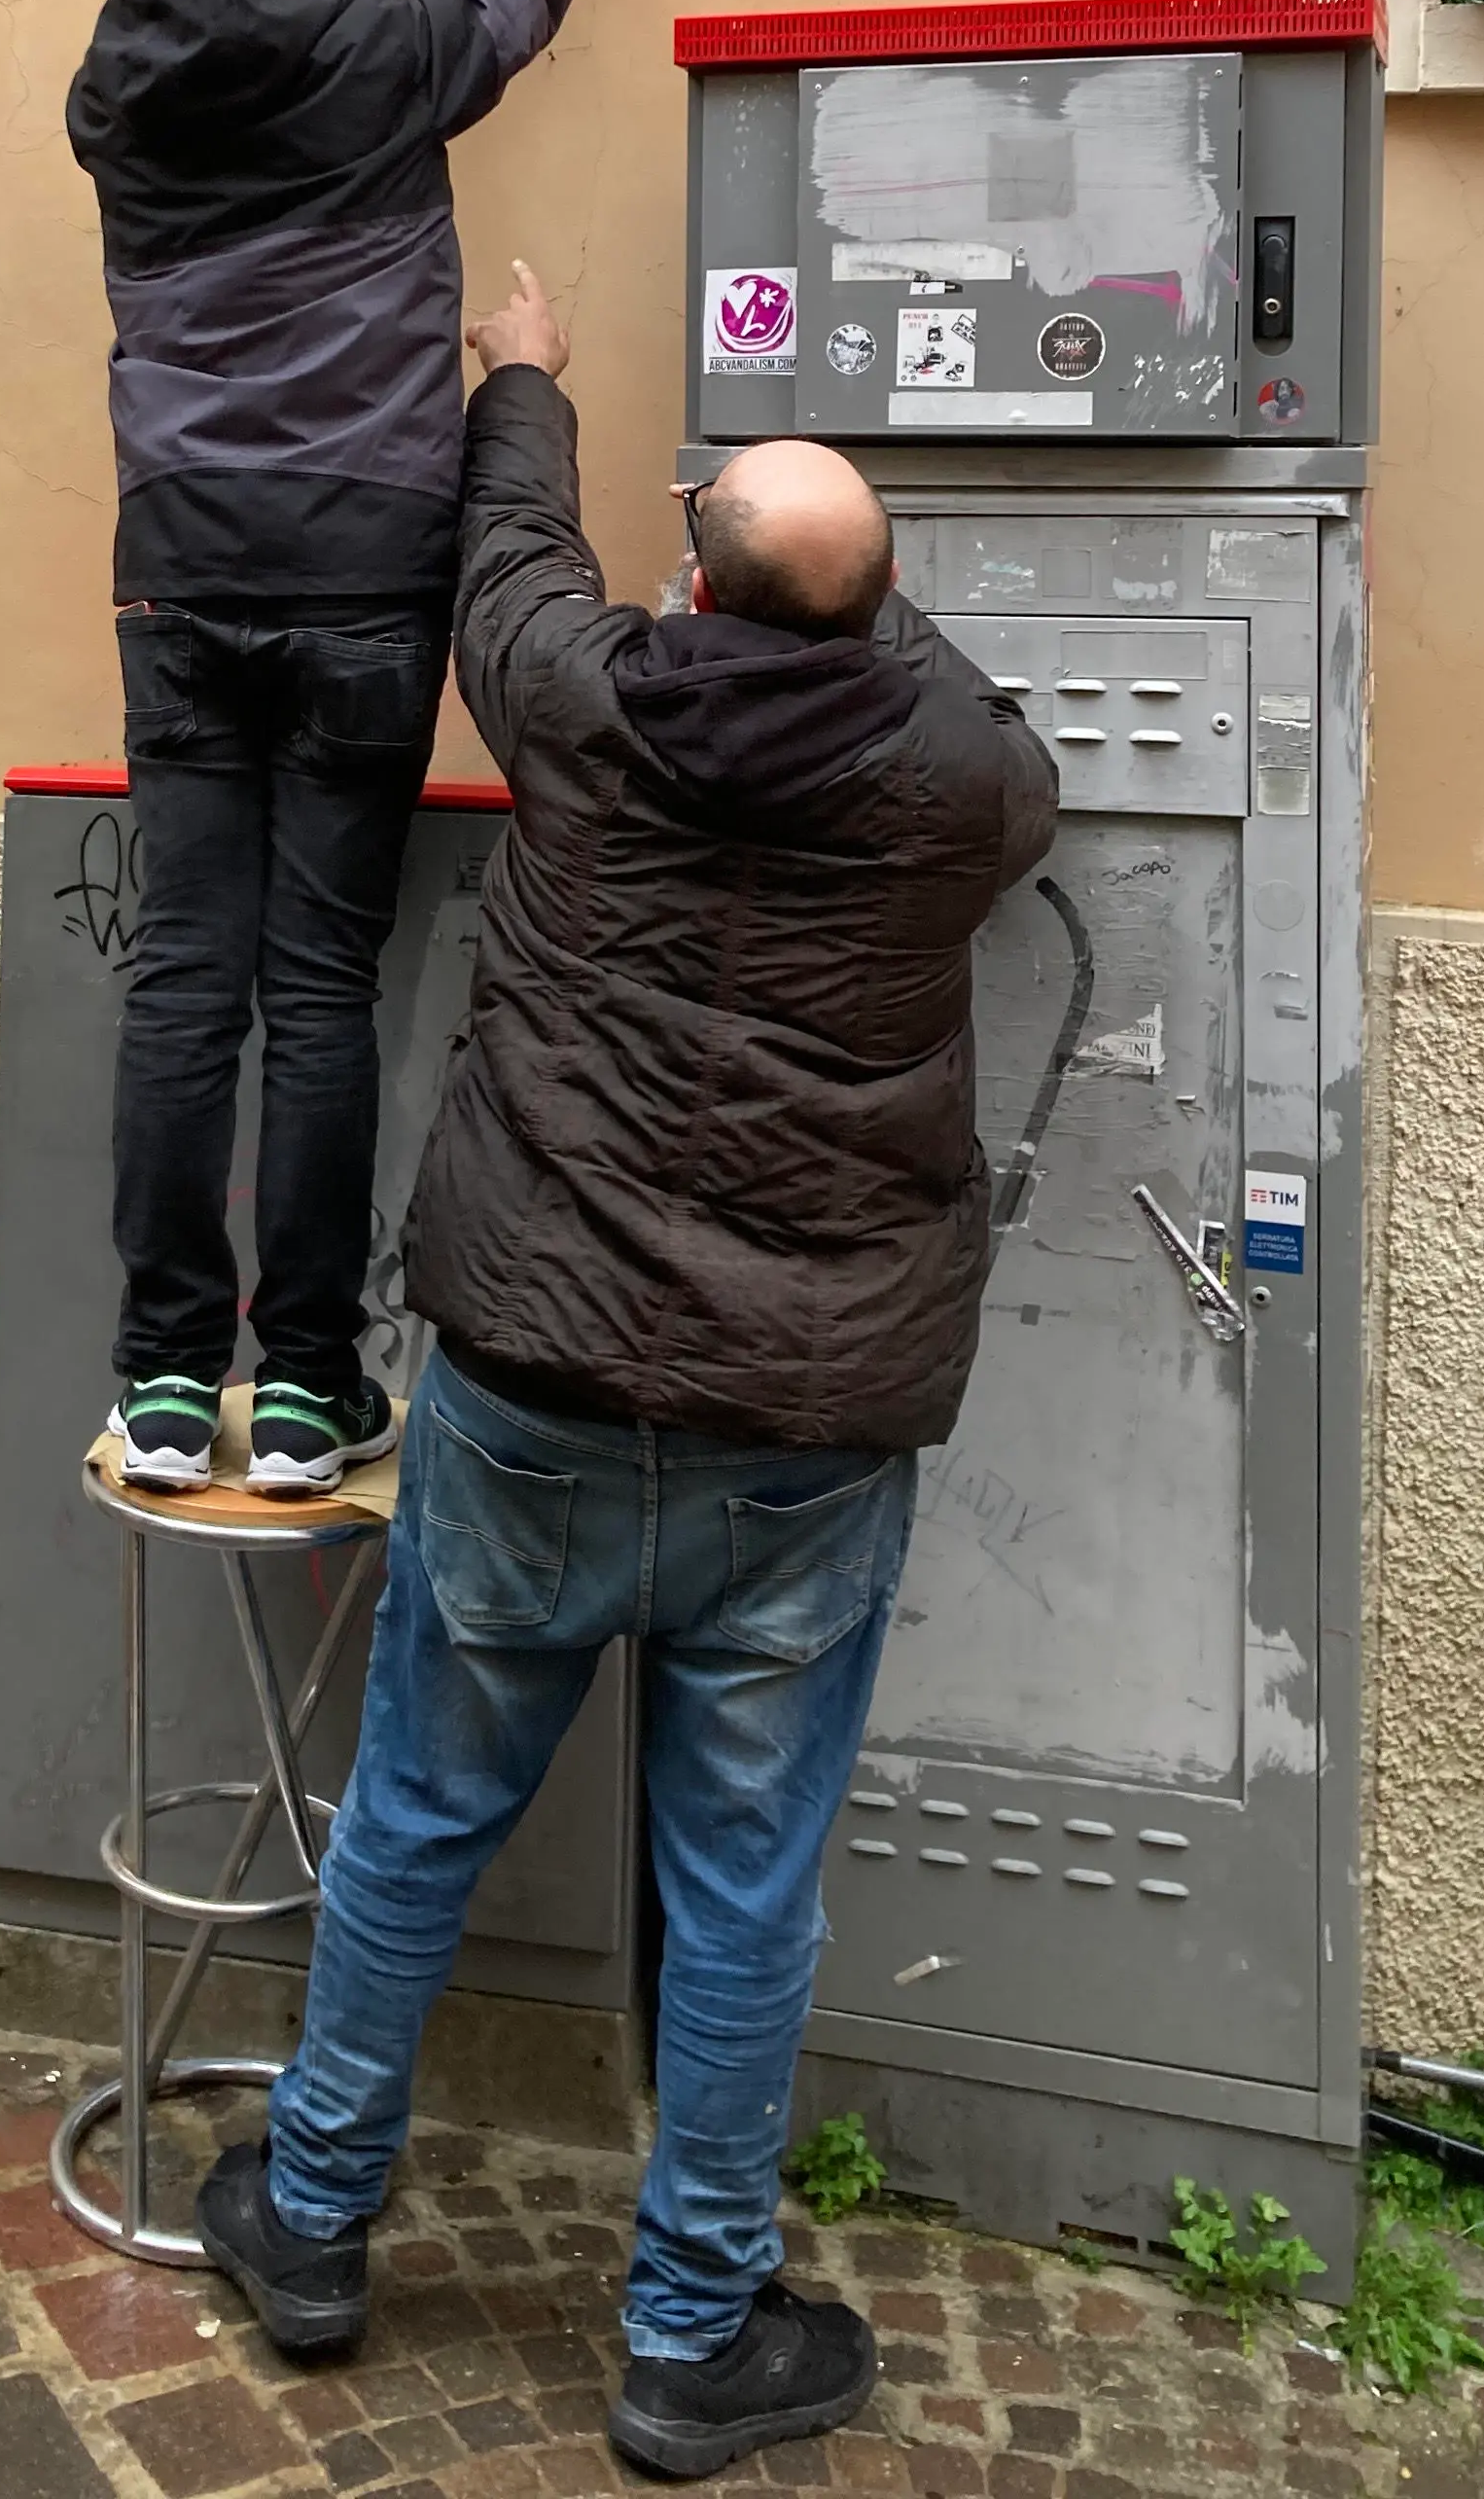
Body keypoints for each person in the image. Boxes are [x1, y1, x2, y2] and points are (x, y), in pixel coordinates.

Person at [195, 264, 1059, 2480]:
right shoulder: (957, 779)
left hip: (539, 1386)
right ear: (868, 617)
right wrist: (855, 587)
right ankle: (688, 2339)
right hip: (806, 1431)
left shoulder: (585, 701)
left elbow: (507, 565)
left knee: (413, 1821)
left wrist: (526, 378)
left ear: (689, 580)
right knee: (745, 1886)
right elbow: (985, 726)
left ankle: (308, 2224)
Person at [64, 0, 579, 1496]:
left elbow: (240, 12)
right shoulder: (384, 54)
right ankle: (302, 1394)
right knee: (317, 987)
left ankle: (156, 1382)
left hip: (183, 574)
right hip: (365, 572)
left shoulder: (119, 94)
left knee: (184, 982)